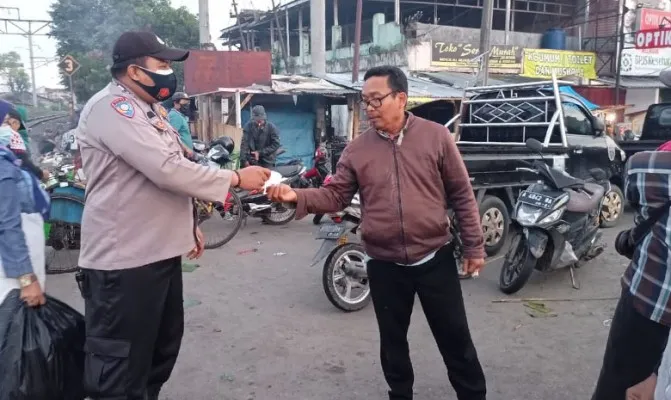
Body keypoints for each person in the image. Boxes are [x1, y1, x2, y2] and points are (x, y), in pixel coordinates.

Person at [267, 65, 486, 400]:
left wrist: (473, 246)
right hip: (384, 264)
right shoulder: (357, 149)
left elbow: (461, 193)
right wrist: (297, 195)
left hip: (434, 257)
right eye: (365, 101)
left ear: (401, 98)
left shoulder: (436, 137)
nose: (368, 108)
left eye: (375, 100)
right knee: (393, 344)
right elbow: (335, 195)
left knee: (455, 338)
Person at [75, 31, 271, 400]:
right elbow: (165, 169)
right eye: (162, 64)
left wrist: (190, 225)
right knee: (120, 371)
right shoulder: (114, 109)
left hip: (157, 254)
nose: (169, 72)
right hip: (124, 263)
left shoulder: (150, 111)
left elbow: (176, 168)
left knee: (159, 353)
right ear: (135, 71)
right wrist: (233, 177)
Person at [0, 105, 50, 310]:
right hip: (12, 276)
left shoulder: (8, 160)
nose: (9, 128)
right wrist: (27, 279)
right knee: (16, 332)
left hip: (12, 268)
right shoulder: (2, 165)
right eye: (4, 123)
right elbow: (7, 224)